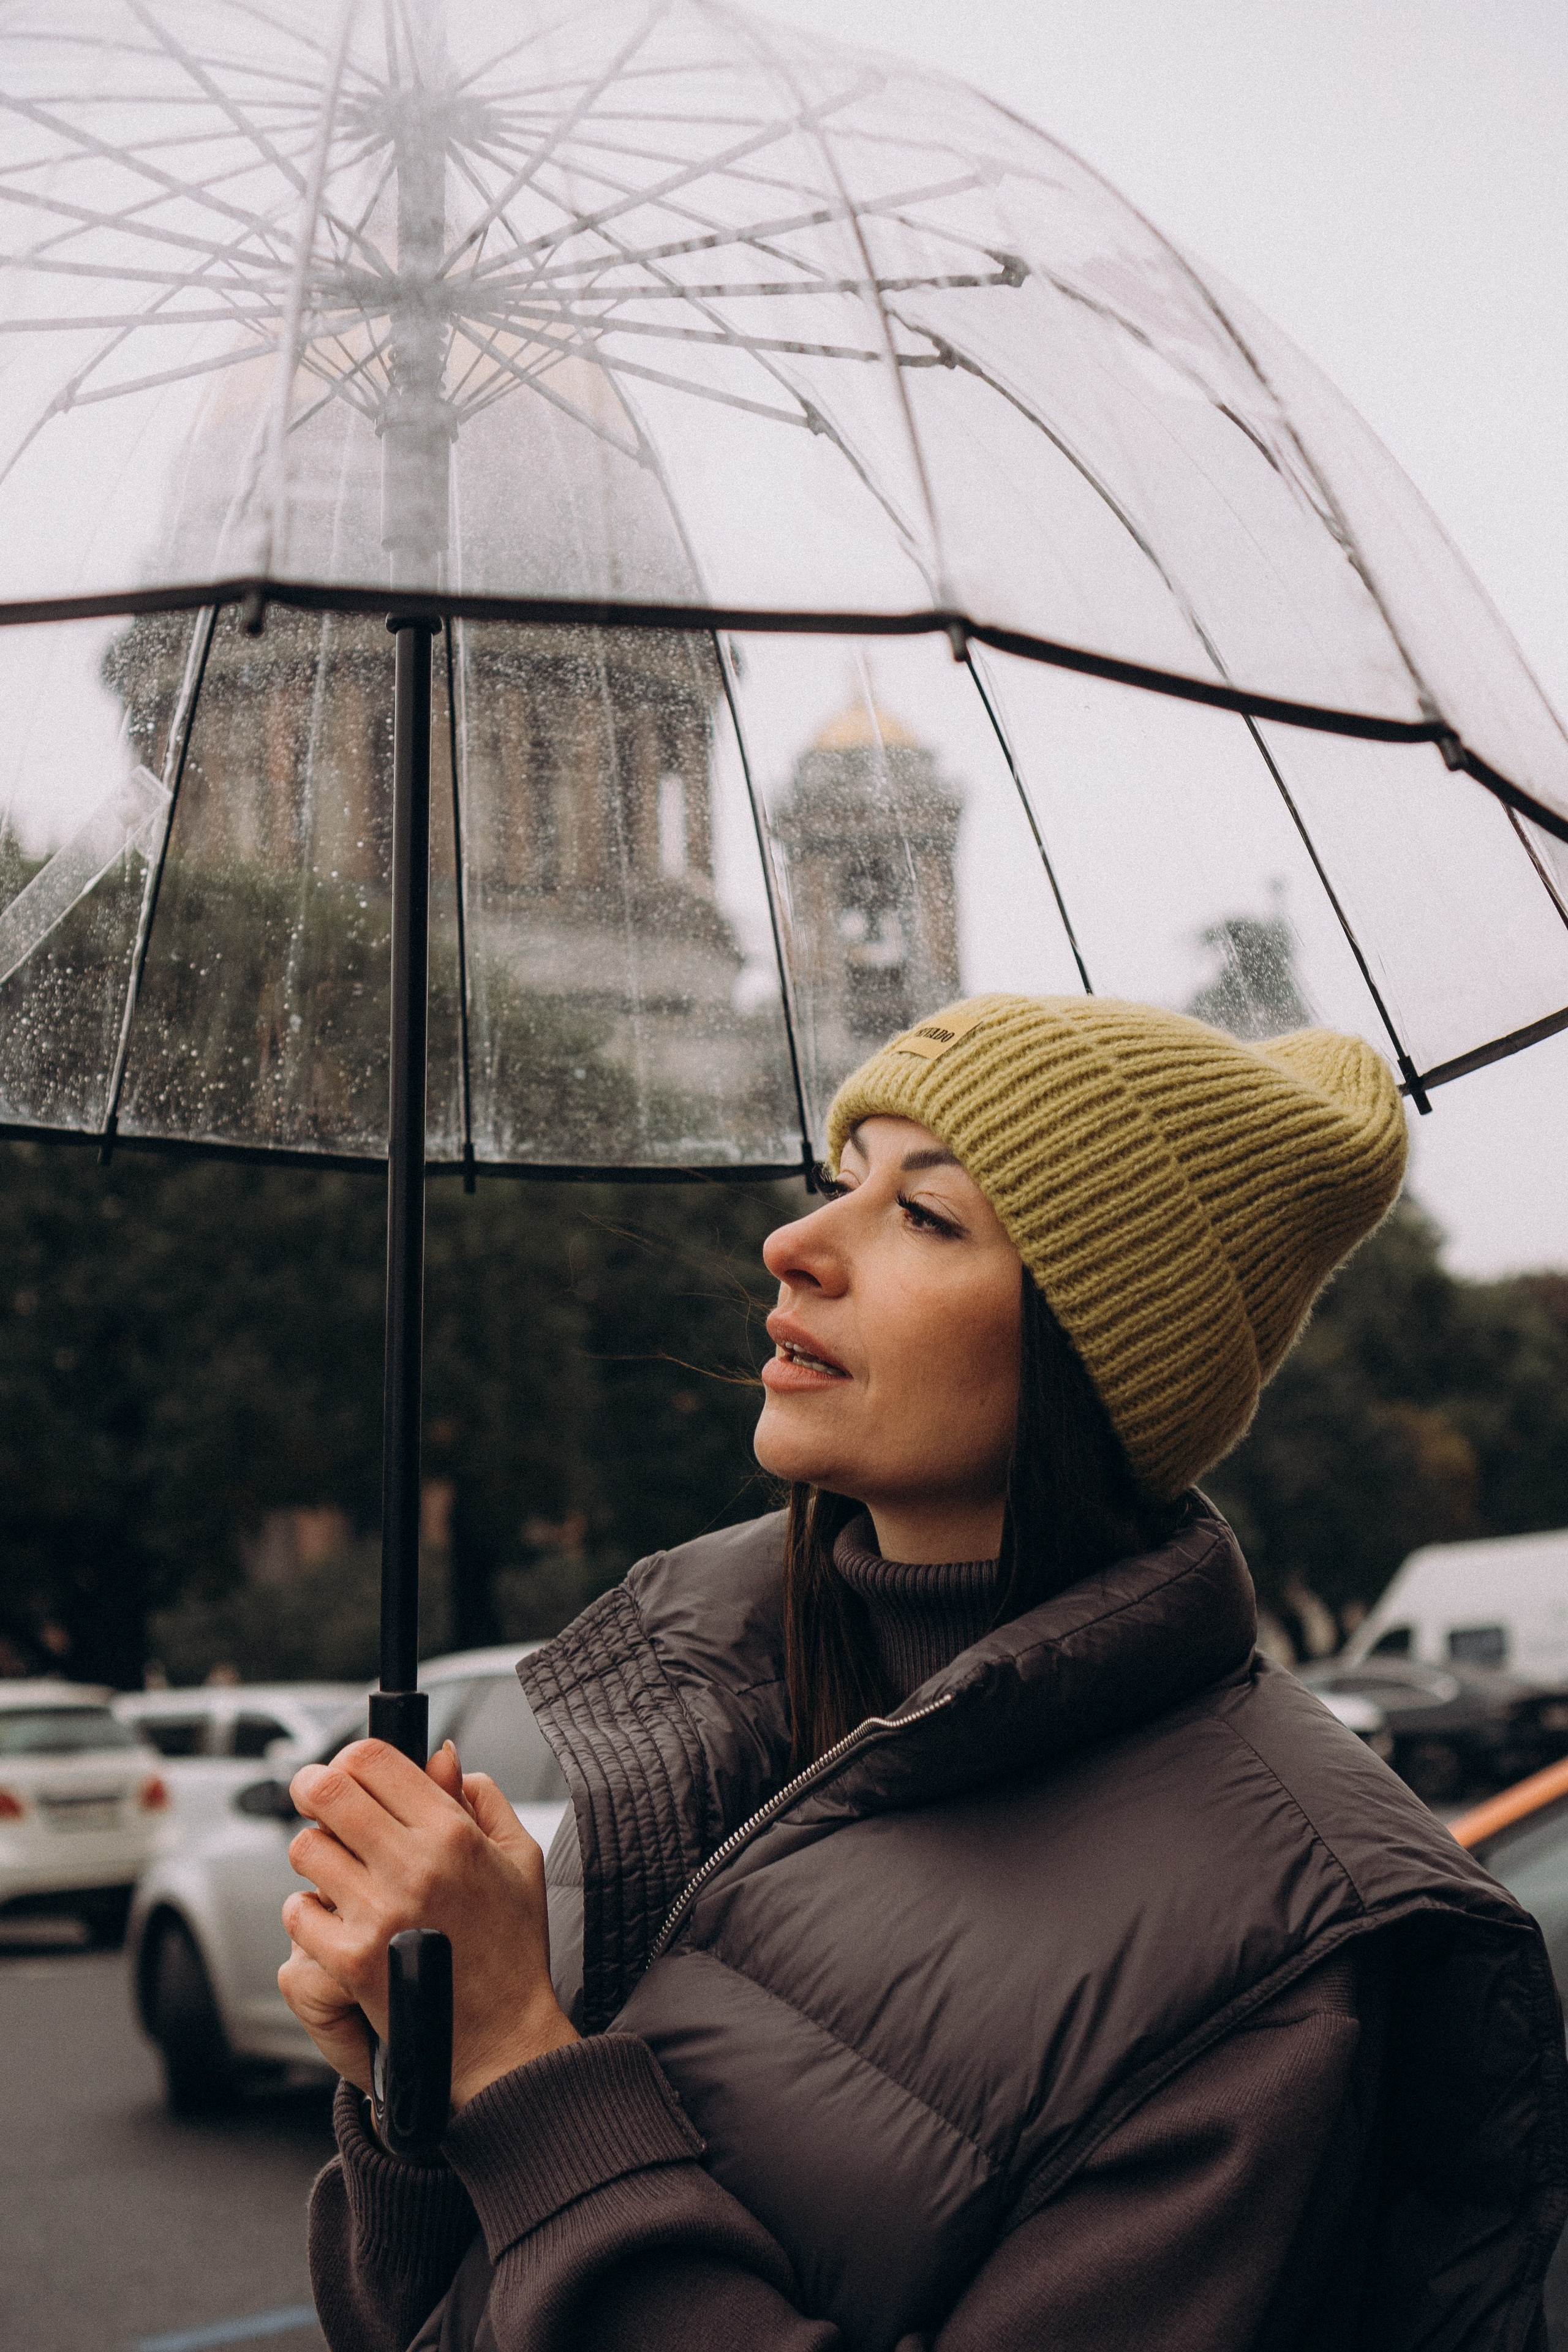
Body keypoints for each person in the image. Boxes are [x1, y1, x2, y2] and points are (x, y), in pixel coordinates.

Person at [282, 995, 1567, 2352]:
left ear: (1101, 1354)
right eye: (840, 1184)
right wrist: (420, 2096)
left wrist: (519, 2072)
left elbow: (546, 2131)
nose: (792, 1246)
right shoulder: (714, 1721)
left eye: (925, 1216)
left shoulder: (1290, 1947)